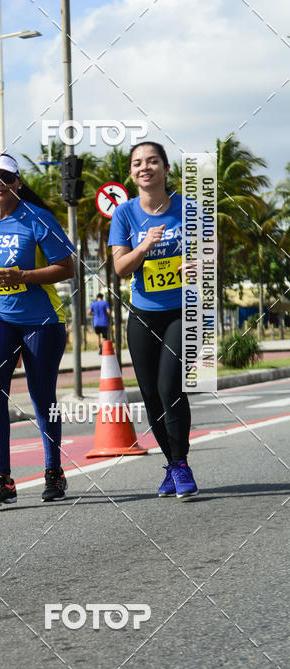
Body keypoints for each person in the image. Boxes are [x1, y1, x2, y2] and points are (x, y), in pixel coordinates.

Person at [0, 153, 75, 506]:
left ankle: (54, 471)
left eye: (5, 177)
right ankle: (1, 480)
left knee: (42, 397)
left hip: (41, 319)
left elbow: (67, 267)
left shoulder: (38, 218)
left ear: (18, 182)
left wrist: (23, 276)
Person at [108, 141, 198, 499]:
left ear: (165, 168)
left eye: (153, 161)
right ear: (131, 173)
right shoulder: (125, 214)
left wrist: (200, 264)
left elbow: (212, 252)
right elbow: (119, 268)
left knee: (169, 387)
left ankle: (181, 463)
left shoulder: (188, 209)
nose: (145, 167)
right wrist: (143, 247)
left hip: (183, 311)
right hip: (144, 313)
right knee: (149, 396)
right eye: (137, 163)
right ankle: (172, 465)